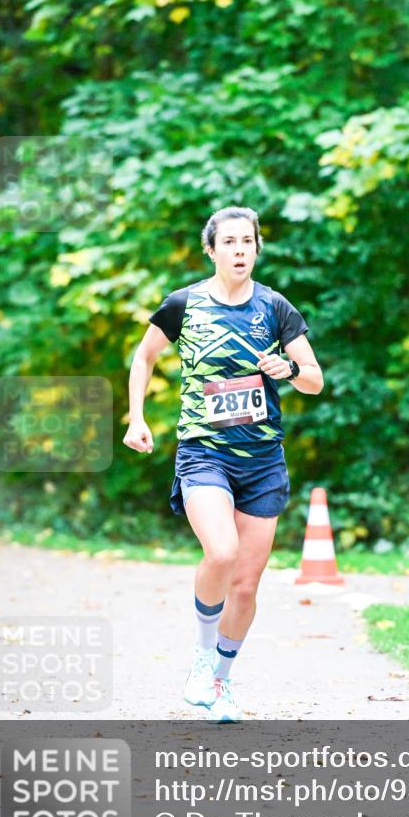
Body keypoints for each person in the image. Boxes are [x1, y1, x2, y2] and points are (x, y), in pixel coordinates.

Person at [123, 205, 323, 721]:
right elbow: (144, 357)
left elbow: (314, 379)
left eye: (247, 242)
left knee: (247, 584)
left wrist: (289, 367)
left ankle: (220, 682)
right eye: (229, 242)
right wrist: (136, 417)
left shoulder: (275, 308)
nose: (239, 251)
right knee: (221, 551)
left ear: (257, 248)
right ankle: (200, 655)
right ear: (211, 250)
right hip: (204, 451)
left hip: (262, 461)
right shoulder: (184, 304)